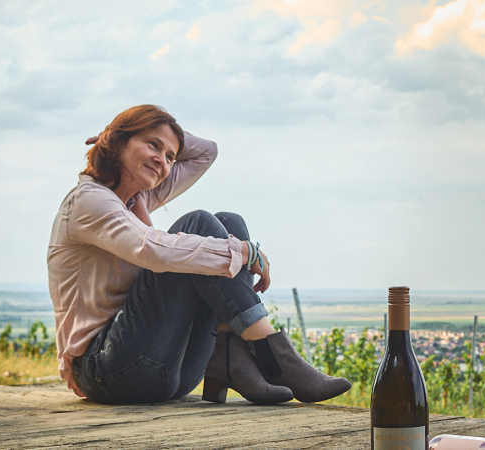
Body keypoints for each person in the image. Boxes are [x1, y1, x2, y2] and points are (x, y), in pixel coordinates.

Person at [47, 105, 350, 405]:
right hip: (106, 371)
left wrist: (141, 135)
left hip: (167, 369)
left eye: (170, 156)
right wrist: (244, 252)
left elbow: (207, 151)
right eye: (153, 144)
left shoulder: (135, 199)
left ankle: (231, 361)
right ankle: (275, 355)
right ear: (120, 141)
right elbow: (153, 250)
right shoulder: (89, 200)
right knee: (199, 224)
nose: (162, 161)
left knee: (228, 221)